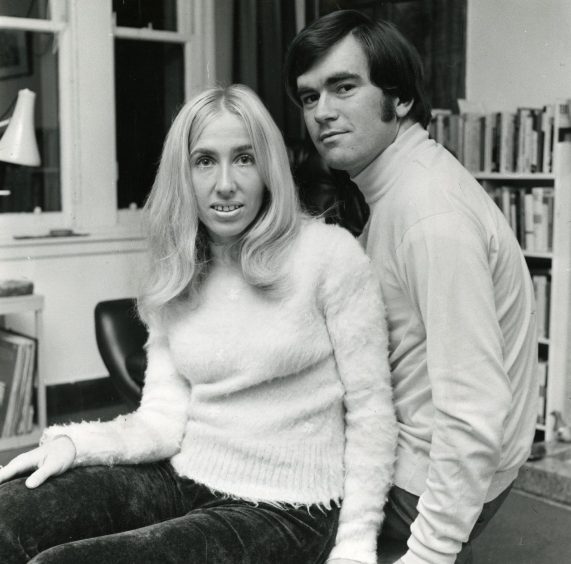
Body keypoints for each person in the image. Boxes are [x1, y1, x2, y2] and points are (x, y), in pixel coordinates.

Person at [0, 84, 397, 564]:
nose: (224, 183)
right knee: (8, 514)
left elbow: (372, 414)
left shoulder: (329, 256)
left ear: (269, 168)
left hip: (287, 507)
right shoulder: (180, 270)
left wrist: (355, 544)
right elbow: (161, 421)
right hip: (183, 475)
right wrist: (74, 444)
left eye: (244, 158)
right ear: (183, 174)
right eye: (205, 160)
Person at [285, 10, 538, 564]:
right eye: (309, 98)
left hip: (424, 479)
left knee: (263, 512)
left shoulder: (428, 213)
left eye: (343, 87)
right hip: (424, 457)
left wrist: (430, 551)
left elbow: (473, 410)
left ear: (398, 99)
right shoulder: (397, 186)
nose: (323, 112)